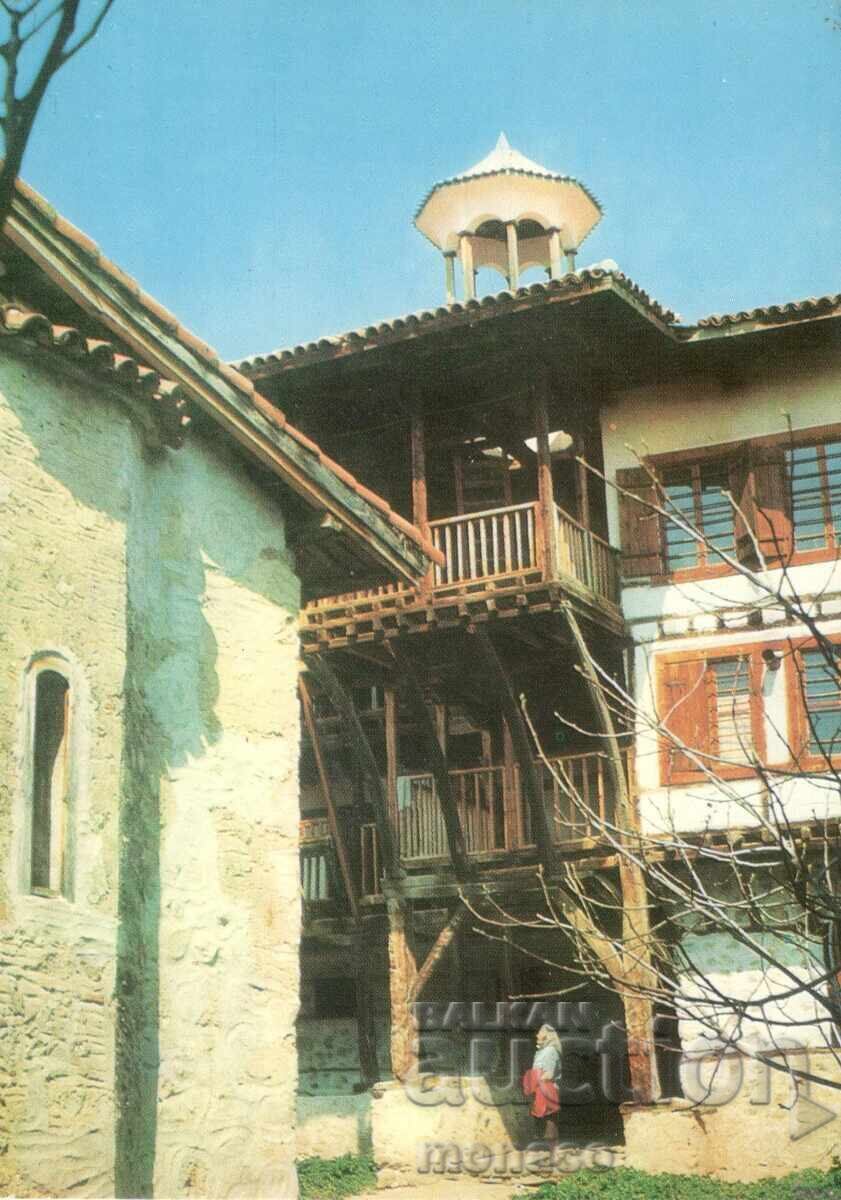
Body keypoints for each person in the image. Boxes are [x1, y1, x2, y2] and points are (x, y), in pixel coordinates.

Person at [521, 1023, 562, 1142]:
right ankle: (548, 1147)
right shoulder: (542, 1051)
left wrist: (534, 1078)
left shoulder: (550, 1051)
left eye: (540, 1032)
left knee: (549, 1117)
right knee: (544, 1116)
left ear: (547, 1036)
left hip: (547, 1087)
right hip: (540, 1087)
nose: (537, 1035)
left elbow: (548, 1074)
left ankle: (552, 1150)